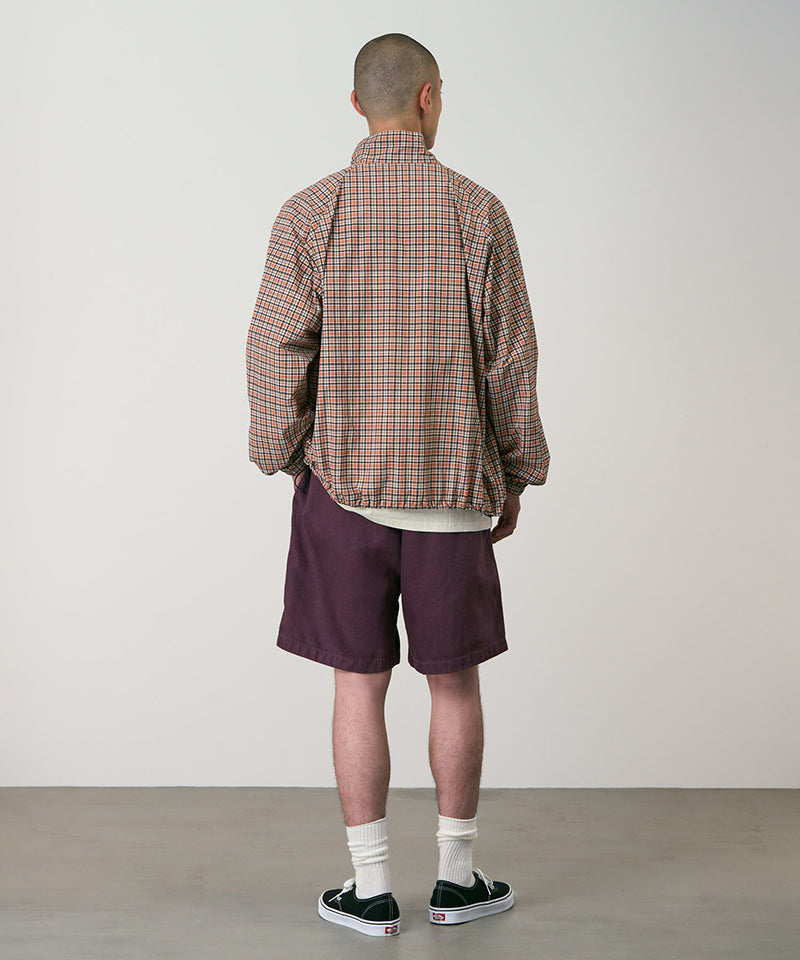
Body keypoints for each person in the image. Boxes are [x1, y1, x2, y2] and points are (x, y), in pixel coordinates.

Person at [245, 32, 550, 937]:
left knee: (357, 685)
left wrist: (287, 454)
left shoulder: (310, 212)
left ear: (356, 105)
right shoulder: (478, 212)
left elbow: (274, 347)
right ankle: (456, 880)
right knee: (453, 684)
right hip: (453, 490)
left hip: (343, 489)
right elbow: (510, 361)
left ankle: (371, 888)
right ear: (428, 98)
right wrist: (517, 470)